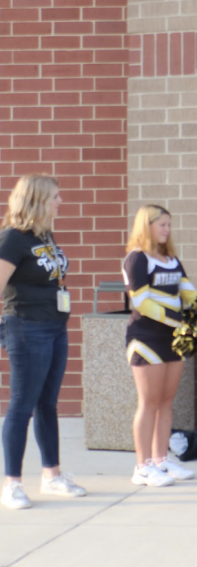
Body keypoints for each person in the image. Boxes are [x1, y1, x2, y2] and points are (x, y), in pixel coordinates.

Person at [1, 175, 88, 510]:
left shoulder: (44, 235)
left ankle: (51, 475)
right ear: (36, 200)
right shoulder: (12, 238)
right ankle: (12, 484)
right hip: (26, 327)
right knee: (22, 405)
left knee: (47, 404)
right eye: (55, 196)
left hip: (55, 326)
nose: (60, 201)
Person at [122, 204, 197, 487]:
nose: (167, 229)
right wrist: (178, 321)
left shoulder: (171, 258)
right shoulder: (137, 259)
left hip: (173, 339)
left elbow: (188, 291)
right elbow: (140, 302)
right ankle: (141, 468)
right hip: (146, 338)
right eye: (162, 224)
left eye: (169, 224)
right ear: (147, 226)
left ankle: (161, 459)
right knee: (149, 402)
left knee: (167, 402)